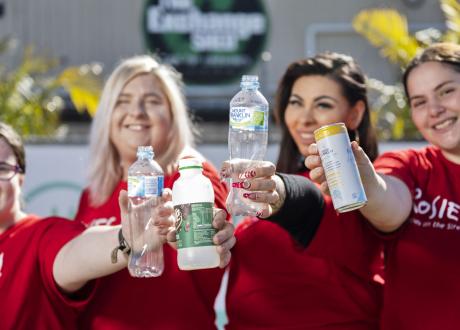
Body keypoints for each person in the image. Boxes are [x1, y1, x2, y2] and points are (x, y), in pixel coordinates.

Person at [222, 52, 383, 330]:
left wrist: (279, 190)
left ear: (355, 114)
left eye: (322, 105)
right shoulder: (268, 185)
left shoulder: (368, 192)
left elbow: (310, 202)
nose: (304, 118)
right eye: (296, 103)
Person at [306, 42, 460, 330]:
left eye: (446, 91)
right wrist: (365, 181)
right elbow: (389, 206)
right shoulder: (409, 166)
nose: (435, 109)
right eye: (419, 101)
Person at [74, 55, 235, 329]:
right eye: (122, 101)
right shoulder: (94, 193)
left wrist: (204, 236)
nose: (136, 111)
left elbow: (213, 243)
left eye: (152, 101)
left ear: (173, 118)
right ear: (107, 116)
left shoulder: (192, 178)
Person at [0, 121, 177, 329]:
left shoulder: (39, 235)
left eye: (2, 168)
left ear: (20, 178)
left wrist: (126, 240)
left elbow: (74, 253)